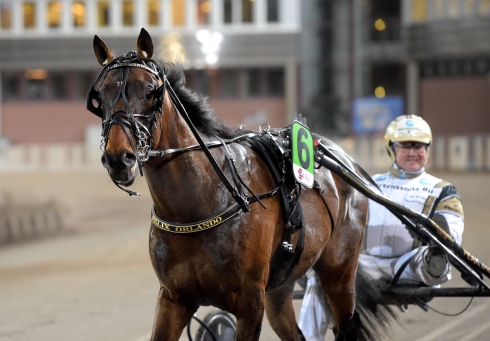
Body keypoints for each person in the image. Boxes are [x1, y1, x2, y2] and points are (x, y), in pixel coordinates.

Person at [298, 115, 465, 340]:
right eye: (405, 146)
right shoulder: (369, 182)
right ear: (392, 149)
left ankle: (436, 258)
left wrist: (443, 238)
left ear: (427, 149)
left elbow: (453, 229)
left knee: (435, 254)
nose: (413, 152)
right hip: (368, 265)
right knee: (322, 277)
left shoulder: (442, 189)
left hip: (410, 264)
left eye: (419, 146)